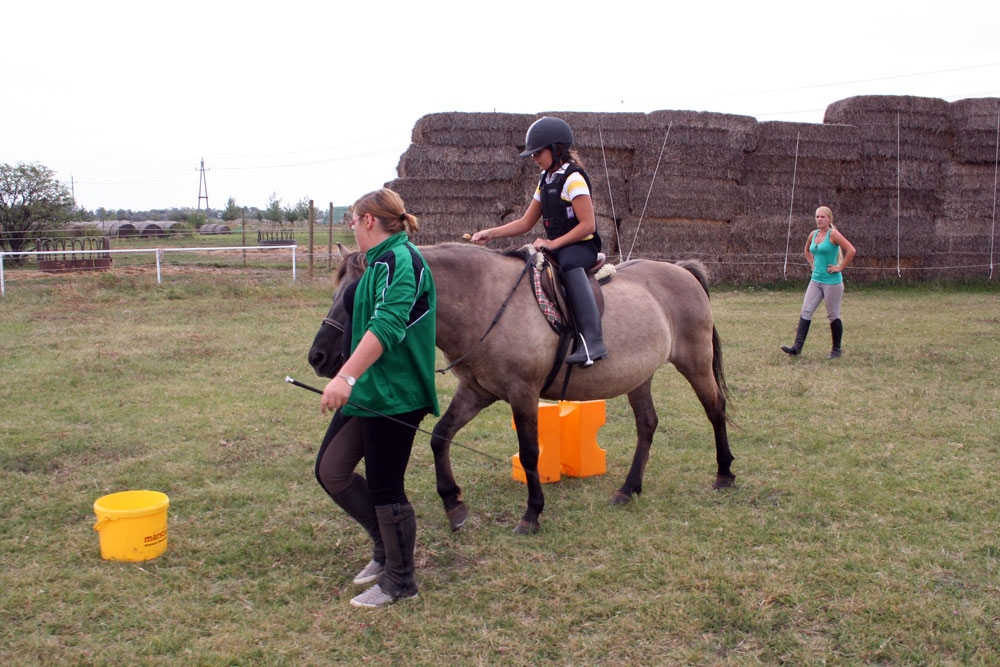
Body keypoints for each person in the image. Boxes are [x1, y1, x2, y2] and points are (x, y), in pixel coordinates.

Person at [315, 188, 438, 609]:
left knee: (387, 487)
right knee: (331, 470)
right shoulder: (377, 262)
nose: (351, 225)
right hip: (370, 387)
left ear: (369, 220)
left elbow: (387, 325)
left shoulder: (403, 260)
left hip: (396, 392)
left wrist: (345, 377)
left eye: (352, 219)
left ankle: (400, 581)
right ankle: (385, 549)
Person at [470, 116, 608, 366]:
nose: (534, 158)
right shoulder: (545, 180)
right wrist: (491, 232)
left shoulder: (573, 179)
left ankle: (593, 342)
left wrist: (553, 244)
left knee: (567, 265)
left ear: (556, 150)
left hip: (581, 246)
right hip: (557, 245)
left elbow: (588, 225)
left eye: (538, 153)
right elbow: (525, 222)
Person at [781, 206, 857, 359]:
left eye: (822, 217)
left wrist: (840, 267)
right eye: (817, 217)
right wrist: (812, 264)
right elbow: (807, 251)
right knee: (806, 310)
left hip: (832, 282)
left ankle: (836, 350)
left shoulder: (833, 234)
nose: (819, 219)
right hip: (816, 280)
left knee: (832, 314)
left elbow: (851, 250)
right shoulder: (813, 234)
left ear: (829, 219)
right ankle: (797, 347)